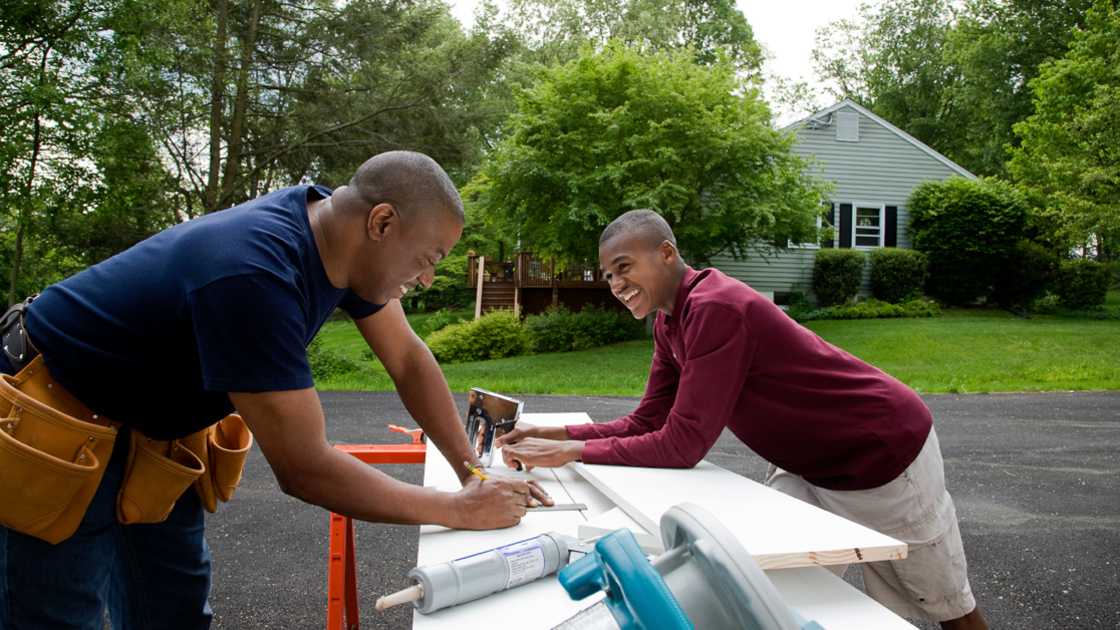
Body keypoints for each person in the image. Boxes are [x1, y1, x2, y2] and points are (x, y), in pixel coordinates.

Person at [0, 151, 550, 629]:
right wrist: (461, 509)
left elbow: (407, 359)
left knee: (174, 613)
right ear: (382, 221)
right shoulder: (252, 275)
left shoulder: (336, 236)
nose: (427, 277)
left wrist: (470, 470)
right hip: (55, 417)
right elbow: (304, 468)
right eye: (428, 258)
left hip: (149, 433)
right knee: (56, 615)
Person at [495, 209, 989, 630]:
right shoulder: (670, 322)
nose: (616, 285)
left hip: (879, 453)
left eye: (624, 267)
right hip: (807, 466)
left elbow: (682, 444)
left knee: (943, 600)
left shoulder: (716, 308)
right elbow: (649, 420)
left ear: (666, 253)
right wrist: (554, 432)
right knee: (767, 583)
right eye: (608, 276)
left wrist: (574, 450)